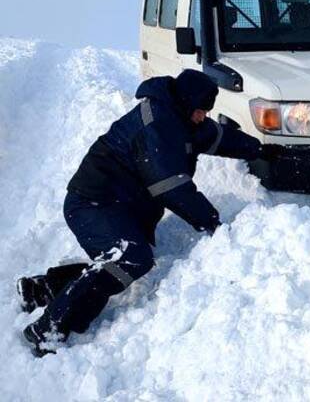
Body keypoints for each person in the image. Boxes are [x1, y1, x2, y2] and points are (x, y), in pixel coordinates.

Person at [17, 69, 263, 356]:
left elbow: (219, 137)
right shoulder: (157, 124)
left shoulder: (182, 117)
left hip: (119, 205)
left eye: (205, 112)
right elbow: (172, 187)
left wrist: (260, 150)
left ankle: (43, 288)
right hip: (92, 203)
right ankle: (46, 330)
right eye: (200, 111)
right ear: (186, 103)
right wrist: (214, 226)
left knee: (122, 258)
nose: (203, 117)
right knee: (130, 257)